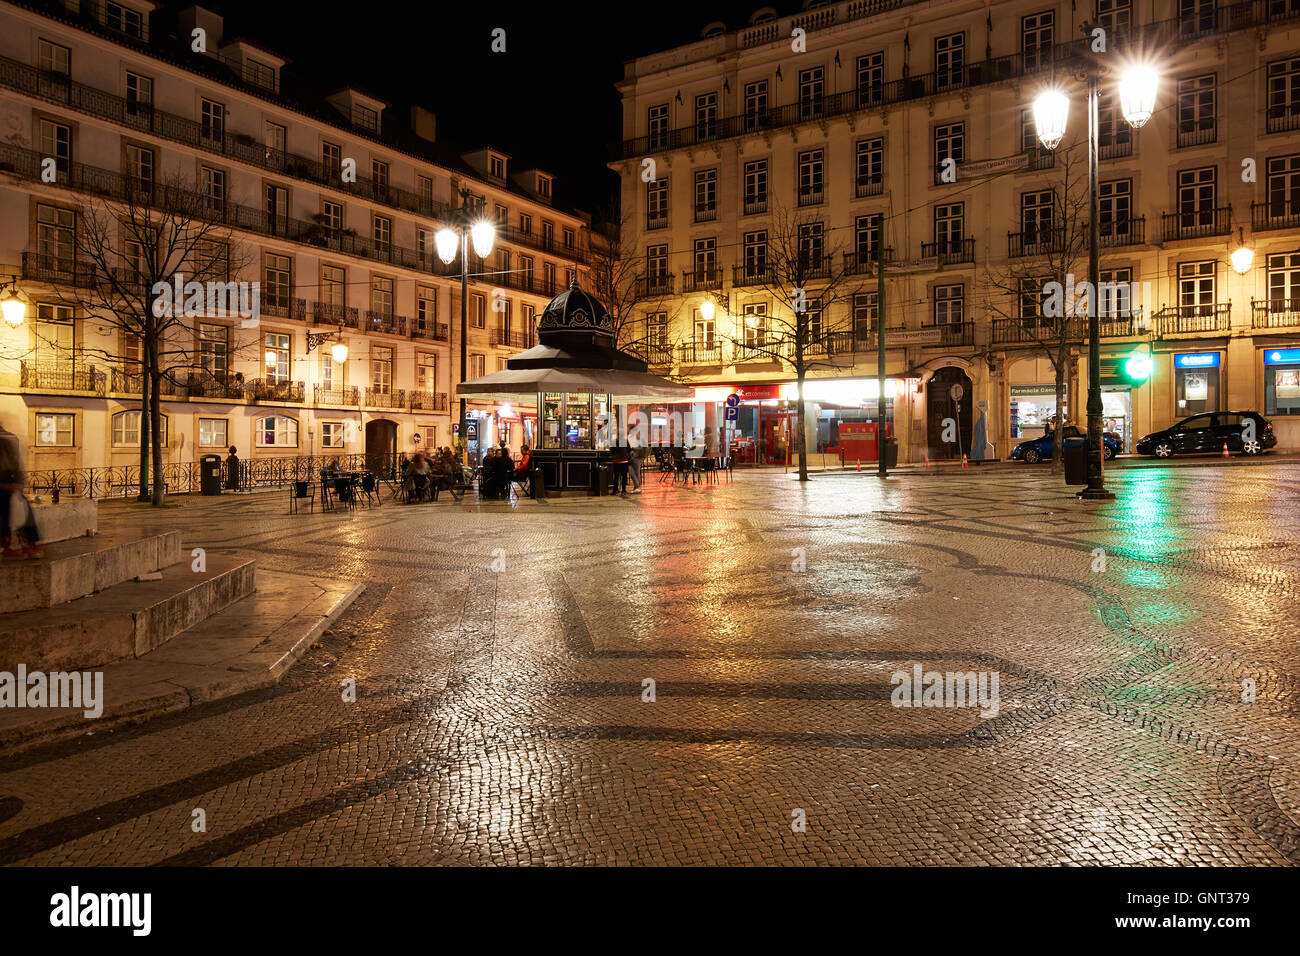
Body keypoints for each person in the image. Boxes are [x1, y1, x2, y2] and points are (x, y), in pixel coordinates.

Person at [0, 424, 40, 558]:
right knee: (5, 503)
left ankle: (30, 543)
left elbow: (15, 467)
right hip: (4, 489)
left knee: (23, 504)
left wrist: (18, 484)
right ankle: (6, 544)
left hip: (9, 487)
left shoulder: (6, 442)